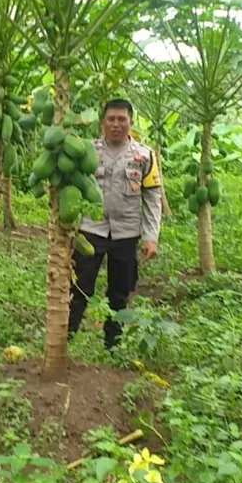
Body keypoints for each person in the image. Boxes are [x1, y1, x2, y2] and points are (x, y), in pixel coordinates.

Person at [68, 98, 163, 350]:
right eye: (111, 119)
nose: (116, 124)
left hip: (126, 233)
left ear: (131, 122)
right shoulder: (86, 151)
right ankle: (65, 338)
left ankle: (113, 344)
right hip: (91, 229)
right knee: (78, 287)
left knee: (119, 292)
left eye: (122, 119)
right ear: (102, 122)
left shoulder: (144, 155)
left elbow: (152, 198)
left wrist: (151, 236)